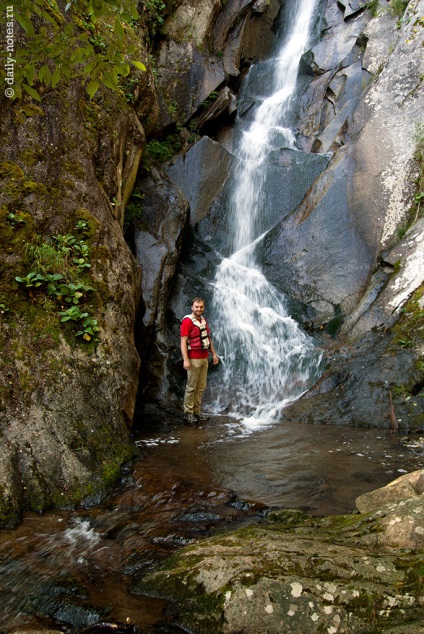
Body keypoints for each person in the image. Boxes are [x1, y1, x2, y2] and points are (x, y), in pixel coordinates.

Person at [180, 297, 219, 424]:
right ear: (192, 307)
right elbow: (183, 342)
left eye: (201, 307)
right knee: (191, 387)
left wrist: (214, 354)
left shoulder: (203, 320)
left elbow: (207, 339)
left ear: (203, 307)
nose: (199, 309)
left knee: (201, 387)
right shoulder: (187, 321)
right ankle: (188, 413)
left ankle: (197, 411)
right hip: (193, 359)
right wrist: (186, 360)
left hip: (204, 358)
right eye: (196, 307)